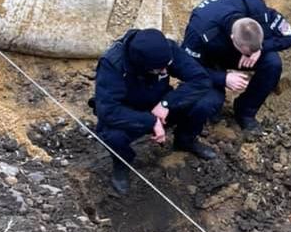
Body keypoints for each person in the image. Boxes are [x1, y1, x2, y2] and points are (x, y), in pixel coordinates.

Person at [93, 28, 223, 195]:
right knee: (111, 134)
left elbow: (200, 79)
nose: (163, 71)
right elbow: (108, 111)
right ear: (140, 65)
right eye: (157, 69)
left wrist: (166, 103)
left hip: (162, 103)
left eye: (166, 67)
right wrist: (150, 121)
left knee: (206, 100)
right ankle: (122, 163)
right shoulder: (112, 64)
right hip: (130, 111)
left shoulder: (165, 50)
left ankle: (185, 140)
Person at [182, 0, 291, 134]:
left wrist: (261, 48)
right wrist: (223, 78)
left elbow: (290, 36)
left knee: (272, 63)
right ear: (232, 38)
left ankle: (245, 111)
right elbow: (186, 67)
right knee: (211, 105)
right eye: (247, 51)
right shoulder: (200, 29)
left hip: (242, 49)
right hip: (210, 57)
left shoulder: (257, 9)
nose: (249, 54)